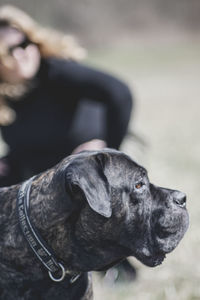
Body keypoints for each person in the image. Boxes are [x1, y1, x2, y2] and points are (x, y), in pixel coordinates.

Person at [0, 5, 133, 187]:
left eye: (23, 44)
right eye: (8, 51)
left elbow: (120, 93)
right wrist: (9, 160)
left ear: (35, 42)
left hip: (85, 177)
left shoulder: (57, 71)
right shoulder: (4, 92)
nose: (19, 55)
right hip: (41, 181)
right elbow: (28, 144)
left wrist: (108, 149)